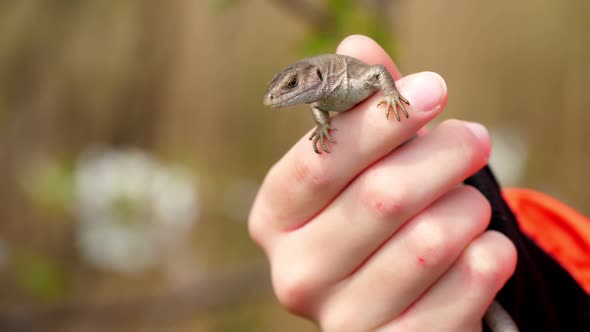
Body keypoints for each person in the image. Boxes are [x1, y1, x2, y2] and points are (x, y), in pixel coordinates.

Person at [248, 35, 590, 331]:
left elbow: (380, 74)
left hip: (424, 172)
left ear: (316, 74)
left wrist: (393, 96)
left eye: (292, 85)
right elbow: (321, 109)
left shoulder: (353, 78)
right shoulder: (322, 100)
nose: (281, 96)